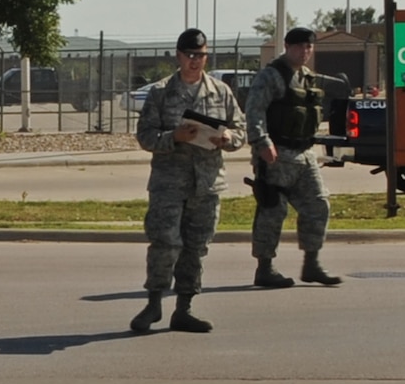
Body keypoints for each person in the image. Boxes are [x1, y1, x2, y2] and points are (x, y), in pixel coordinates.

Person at [131, 29, 244, 333]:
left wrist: (228, 138)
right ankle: (154, 303)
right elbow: (145, 136)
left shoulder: (221, 92)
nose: (195, 61)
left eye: (201, 56)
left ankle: (185, 307)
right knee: (165, 243)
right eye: (190, 55)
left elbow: (240, 131)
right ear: (179, 56)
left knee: (196, 246)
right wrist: (174, 137)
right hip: (170, 183)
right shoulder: (161, 92)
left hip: (206, 184)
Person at [247, 26, 345, 288]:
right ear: (288, 47)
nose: (305, 51)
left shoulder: (307, 77)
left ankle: (312, 264)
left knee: (318, 203)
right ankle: (265, 268)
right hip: (276, 155)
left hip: (304, 154)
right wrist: (261, 142)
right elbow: (254, 111)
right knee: (272, 210)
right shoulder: (271, 76)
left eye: (309, 47)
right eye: (300, 46)